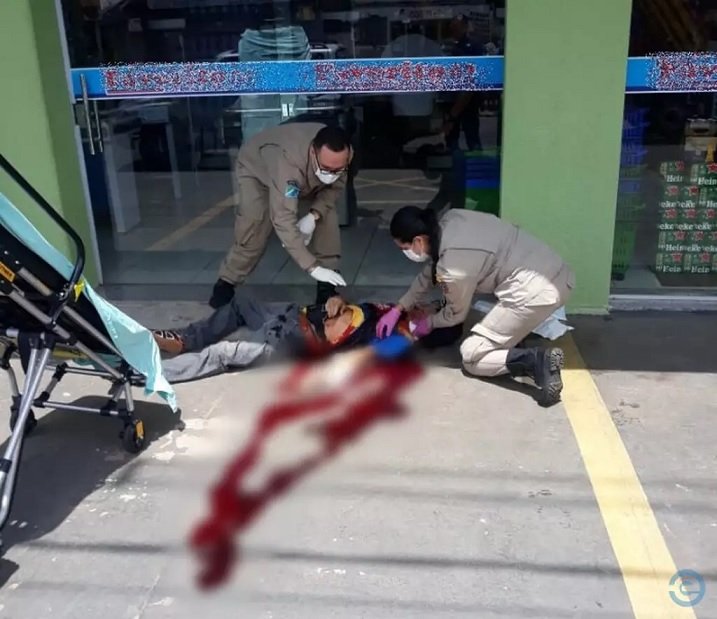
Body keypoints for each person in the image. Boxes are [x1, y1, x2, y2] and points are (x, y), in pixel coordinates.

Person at [376, 206, 575, 407]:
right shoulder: (453, 219)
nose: (405, 253)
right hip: (555, 271)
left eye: (403, 248)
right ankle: (513, 337)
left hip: (536, 293)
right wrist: (399, 308)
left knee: (472, 356)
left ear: (418, 241)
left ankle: (537, 361)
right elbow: (431, 271)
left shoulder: (452, 270)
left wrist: (427, 324)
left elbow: (455, 315)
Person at [153, 290, 461, 384]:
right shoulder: (394, 310)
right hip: (292, 316)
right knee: (241, 302)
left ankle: (148, 372)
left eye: (433, 309)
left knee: (224, 353)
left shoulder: (398, 340)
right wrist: (338, 301)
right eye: (433, 302)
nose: (425, 306)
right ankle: (184, 341)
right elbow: (354, 310)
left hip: (293, 344)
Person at [211, 123, 353, 309]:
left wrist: (314, 215)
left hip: (304, 175)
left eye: (338, 170)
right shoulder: (289, 163)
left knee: (327, 219)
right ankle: (227, 282)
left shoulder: (345, 155)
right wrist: (312, 267)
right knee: (254, 227)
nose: (332, 175)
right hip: (258, 172)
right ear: (313, 152)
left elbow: (334, 188)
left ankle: (326, 289)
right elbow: (283, 218)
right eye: (326, 168)